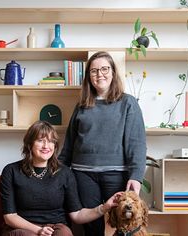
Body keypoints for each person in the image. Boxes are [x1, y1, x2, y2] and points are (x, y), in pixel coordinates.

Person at [58, 51, 147, 236]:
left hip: (116, 174)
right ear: (89, 77)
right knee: (92, 225)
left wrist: (136, 176)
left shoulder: (128, 103)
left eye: (105, 69)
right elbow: (69, 145)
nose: (100, 74)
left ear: (113, 72)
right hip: (83, 175)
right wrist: (56, 173)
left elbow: (137, 143)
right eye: (94, 71)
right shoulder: (82, 105)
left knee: (123, 224)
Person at [0, 120, 121, 236]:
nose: (46, 146)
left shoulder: (64, 173)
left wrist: (105, 207)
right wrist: (38, 230)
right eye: (40, 140)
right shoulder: (11, 171)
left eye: (51, 141)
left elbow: (77, 215)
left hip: (56, 227)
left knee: (63, 233)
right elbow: (9, 216)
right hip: (23, 228)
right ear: (29, 144)